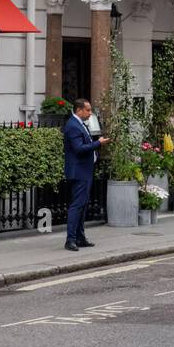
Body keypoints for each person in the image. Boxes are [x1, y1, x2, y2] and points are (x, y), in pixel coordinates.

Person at [62, 97, 108, 251]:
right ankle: (71, 240)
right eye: (87, 110)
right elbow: (79, 149)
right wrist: (98, 143)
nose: (90, 113)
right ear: (79, 110)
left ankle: (80, 237)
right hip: (79, 172)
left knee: (82, 205)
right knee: (76, 206)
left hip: (84, 171)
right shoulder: (73, 126)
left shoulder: (80, 124)